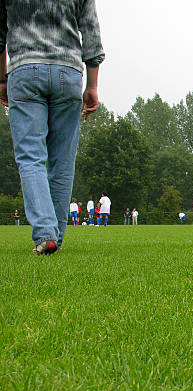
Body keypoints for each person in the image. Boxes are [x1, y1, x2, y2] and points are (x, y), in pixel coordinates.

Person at [0, 0, 104, 254]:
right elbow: (91, 32)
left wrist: (2, 79)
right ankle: (54, 235)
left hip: (24, 69)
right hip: (67, 71)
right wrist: (92, 85)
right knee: (63, 160)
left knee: (31, 157)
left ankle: (46, 234)